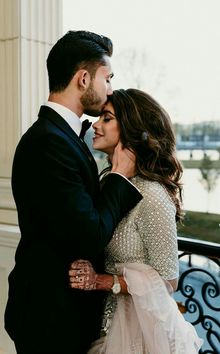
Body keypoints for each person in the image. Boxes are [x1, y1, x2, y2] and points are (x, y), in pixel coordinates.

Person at [4, 31, 142, 354]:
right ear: (83, 79)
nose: (109, 90)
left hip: (58, 312)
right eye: (106, 79)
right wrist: (120, 176)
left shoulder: (57, 137)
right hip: (50, 317)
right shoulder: (49, 143)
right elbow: (90, 234)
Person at [69, 89, 204, 353]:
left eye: (106, 118)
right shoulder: (111, 183)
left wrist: (103, 281)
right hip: (105, 320)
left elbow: (168, 281)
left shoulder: (152, 194)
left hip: (141, 332)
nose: (96, 124)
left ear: (131, 128)